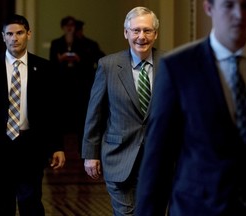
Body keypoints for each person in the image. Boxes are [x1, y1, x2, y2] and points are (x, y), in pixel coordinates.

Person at [136, 0, 246, 215]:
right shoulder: (179, 67)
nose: (239, 14)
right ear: (208, 8)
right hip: (199, 207)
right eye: (229, 5)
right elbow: (158, 158)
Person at [0, 14, 65, 216]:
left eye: (19, 33)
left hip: (30, 146)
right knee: (0, 205)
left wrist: (57, 147)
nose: (14, 38)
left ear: (28, 34)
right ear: (3, 37)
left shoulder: (45, 68)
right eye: (9, 34)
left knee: (31, 203)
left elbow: (53, 112)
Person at [81, 6, 164, 215]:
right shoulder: (108, 66)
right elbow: (95, 114)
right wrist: (90, 154)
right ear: (126, 33)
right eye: (136, 30)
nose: (141, 37)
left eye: (147, 30)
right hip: (119, 158)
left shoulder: (171, 64)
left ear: (155, 34)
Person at [74, 19, 105, 154]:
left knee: (85, 116)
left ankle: (85, 147)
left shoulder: (90, 44)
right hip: (67, 85)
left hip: (86, 83)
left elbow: (101, 59)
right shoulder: (61, 43)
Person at [49, 16, 83, 134]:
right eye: (67, 25)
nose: (69, 28)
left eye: (72, 25)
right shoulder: (56, 43)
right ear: (63, 27)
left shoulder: (81, 42)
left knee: (77, 106)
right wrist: (60, 58)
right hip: (62, 78)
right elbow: (52, 61)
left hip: (77, 79)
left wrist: (79, 59)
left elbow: (87, 61)